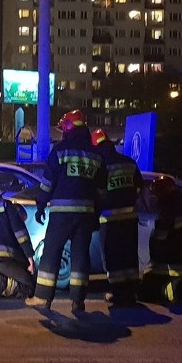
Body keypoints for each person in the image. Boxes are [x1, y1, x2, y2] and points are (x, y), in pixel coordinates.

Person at [25, 110, 105, 312]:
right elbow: (102, 189)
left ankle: (42, 297)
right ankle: (78, 301)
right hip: (86, 213)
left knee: (51, 252)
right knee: (80, 256)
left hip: (62, 213)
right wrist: (96, 214)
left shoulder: (60, 151)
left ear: (69, 127)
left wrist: (41, 205)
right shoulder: (95, 154)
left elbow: (47, 183)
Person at [92, 127, 144, 307]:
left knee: (113, 258)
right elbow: (139, 188)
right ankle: (130, 293)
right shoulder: (129, 162)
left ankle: (117, 293)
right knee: (129, 256)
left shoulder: (101, 166)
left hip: (109, 220)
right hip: (130, 219)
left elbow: (98, 194)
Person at [140, 175, 182, 304]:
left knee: (146, 290)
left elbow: (160, 238)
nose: (155, 198)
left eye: (157, 194)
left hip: (172, 267)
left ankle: (167, 291)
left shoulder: (169, 209)